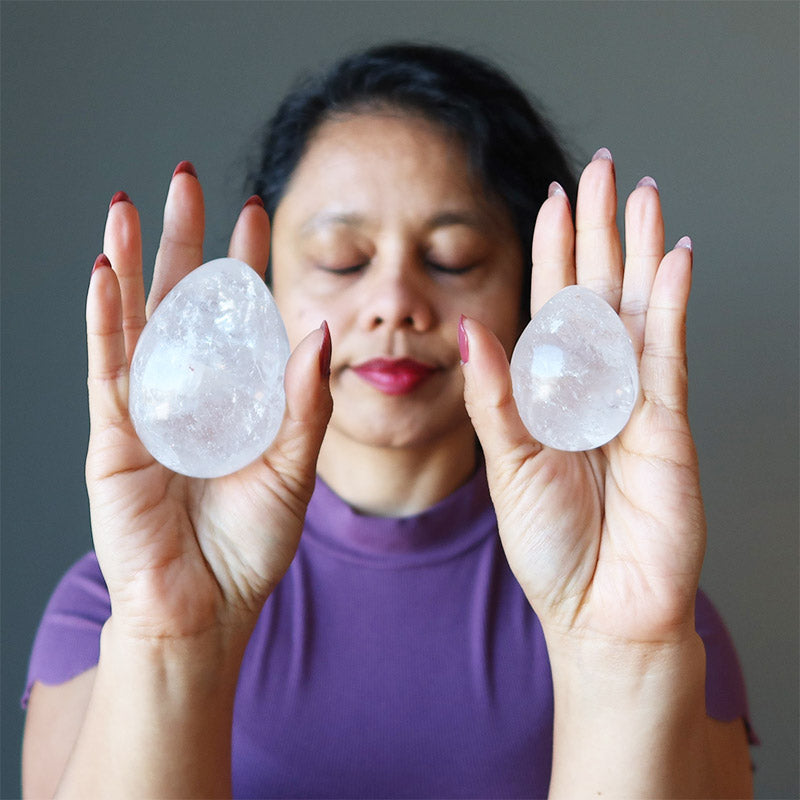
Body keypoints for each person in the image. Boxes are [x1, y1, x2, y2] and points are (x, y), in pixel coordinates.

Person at [22, 43, 755, 798]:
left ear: (529, 297)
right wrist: (168, 640)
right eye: (342, 259)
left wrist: (626, 654)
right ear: (264, 291)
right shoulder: (112, 605)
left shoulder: (654, 606)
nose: (395, 302)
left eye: (453, 258)